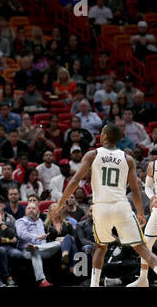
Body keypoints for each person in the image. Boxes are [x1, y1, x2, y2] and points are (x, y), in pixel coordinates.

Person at [52, 123, 157, 287]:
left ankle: (94, 284)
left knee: (100, 247)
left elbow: (75, 181)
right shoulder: (128, 159)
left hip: (101, 206)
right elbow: (136, 190)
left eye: (101, 132)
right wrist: (139, 212)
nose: (100, 135)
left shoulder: (92, 155)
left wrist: (59, 204)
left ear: (105, 136)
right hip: (121, 206)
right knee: (143, 249)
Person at [126, 159, 157, 287]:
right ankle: (143, 279)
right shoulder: (153, 165)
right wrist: (152, 197)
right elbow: (148, 187)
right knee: (146, 244)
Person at [15, 203, 59, 287]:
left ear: (38, 212)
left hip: (43, 249)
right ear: (25, 211)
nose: (31, 209)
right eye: (29, 208)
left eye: (34, 208)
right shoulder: (20, 221)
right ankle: (42, 280)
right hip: (26, 251)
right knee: (33, 250)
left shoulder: (40, 221)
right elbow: (21, 234)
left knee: (58, 243)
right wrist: (37, 237)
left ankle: (37, 247)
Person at [44, 203, 79, 273]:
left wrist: (63, 239)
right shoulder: (46, 226)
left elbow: (74, 238)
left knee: (68, 238)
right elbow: (47, 240)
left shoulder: (68, 224)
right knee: (68, 238)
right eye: (52, 210)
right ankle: (73, 265)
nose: (55, 212)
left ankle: (65, 255)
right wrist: (62, 240)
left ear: (60, 211)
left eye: (56, 210)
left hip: (68, 246)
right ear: (49, 212)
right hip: (54, 247)